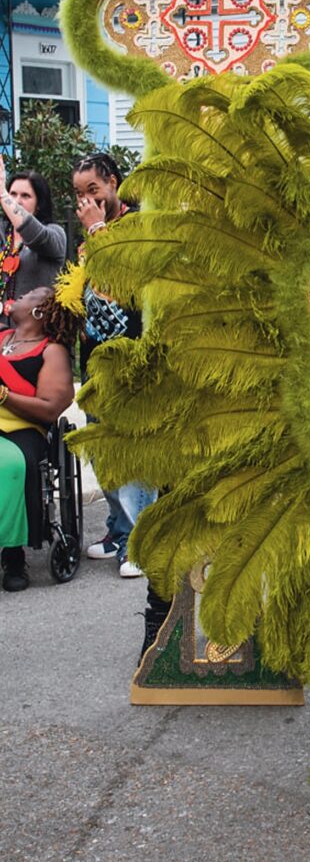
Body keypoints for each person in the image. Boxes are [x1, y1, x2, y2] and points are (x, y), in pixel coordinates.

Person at [72, 152, 155, 578]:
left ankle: (142, 540)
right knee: (104, 450)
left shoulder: (137, 226)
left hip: (132, 359)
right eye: (80, 193)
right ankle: (118, 530)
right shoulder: (89, 236)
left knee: (133, 453)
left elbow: (126, 279)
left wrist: (97, 230)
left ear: (113, 184)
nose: (87, 200)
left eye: (94, 190)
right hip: (94, 360)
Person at [0, 286, 78, 590]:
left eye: (29, 294)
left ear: (38, 311)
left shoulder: (51, 350)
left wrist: (4, 396)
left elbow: (49, 409)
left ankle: (13, 554)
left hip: (24, 428)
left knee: (8, 466)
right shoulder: (2, 338)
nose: (19, 295)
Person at [0, 159, 67, 322]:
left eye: (26, 196)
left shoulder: (55, 233)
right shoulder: (3, 231)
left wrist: (3, 195)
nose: (16, 201)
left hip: (37, 335)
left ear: (39, 204)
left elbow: (36, 236)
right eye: (12, 194)